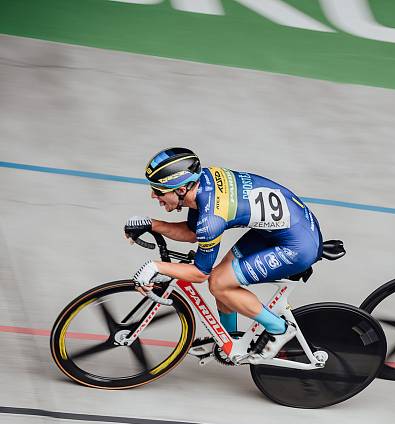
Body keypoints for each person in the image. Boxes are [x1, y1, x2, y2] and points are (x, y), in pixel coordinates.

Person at [124, 147, 323, 362]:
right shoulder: (202, 184)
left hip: (297, 246)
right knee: (222, 277)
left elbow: (200, 273)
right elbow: (192, 233)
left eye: (159, 189)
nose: (154, 195)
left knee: (218, 283)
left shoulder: (212, 218)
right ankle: (228, 339)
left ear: (181, 190)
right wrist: (151, 224)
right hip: (279, 230)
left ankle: (279, 329)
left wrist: (155, 267)